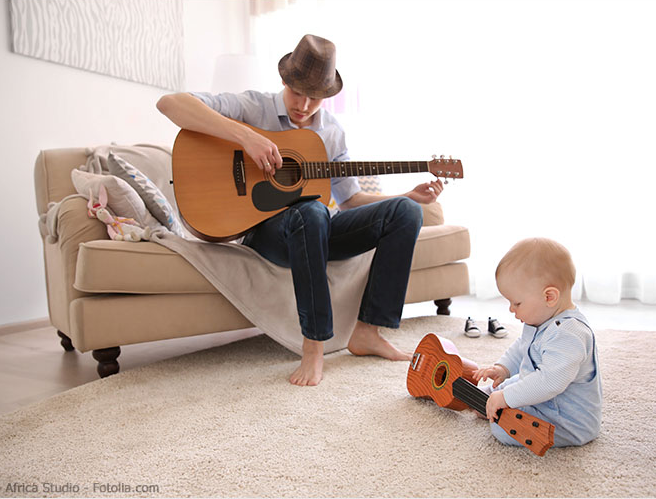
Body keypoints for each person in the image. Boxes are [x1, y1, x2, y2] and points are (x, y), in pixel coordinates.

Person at [157, 34, 443, 387]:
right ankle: (314, 346)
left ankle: (367, 332)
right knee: (312, 211)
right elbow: (169, 104)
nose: (304, 105)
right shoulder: (252, 107)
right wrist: (247, 137)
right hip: (269, 232)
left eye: (315, 97)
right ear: (284, 81)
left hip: (319, 230)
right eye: (297, 92)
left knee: (403, 213)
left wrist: (407, 196)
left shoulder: (332, 134)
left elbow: (351, 201)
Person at [472, 238, 602, 447]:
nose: (511, 309)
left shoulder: (570, 335)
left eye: (517, 303)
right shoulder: (542, 319)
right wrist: (503, 368)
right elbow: (522, 348)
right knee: (502, 391)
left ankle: (496, 402)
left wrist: (506, 398)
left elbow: (548, 382)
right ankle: (492, 399)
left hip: (567, 419)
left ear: (549, 296)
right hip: (545, 398)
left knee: (501, 426)